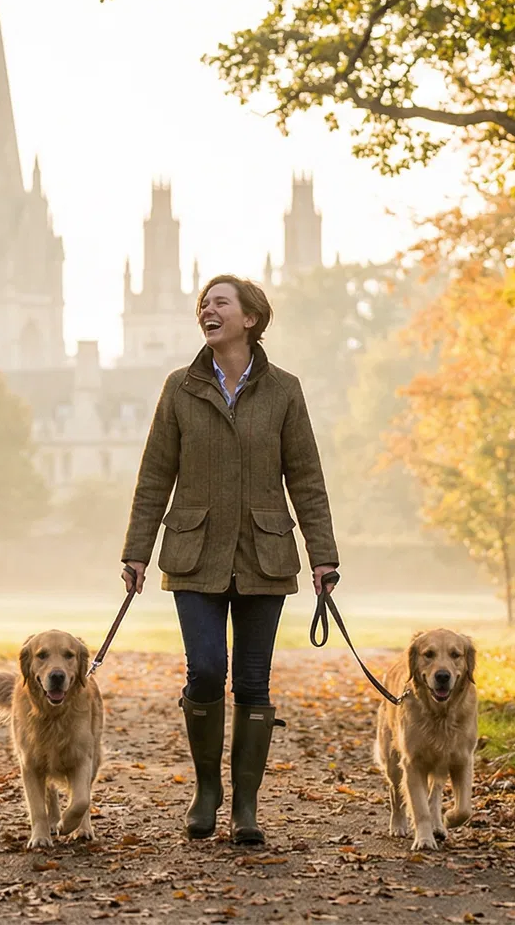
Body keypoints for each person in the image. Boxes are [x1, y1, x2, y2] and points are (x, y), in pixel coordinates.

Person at [119, 274, 339, 846]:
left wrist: (324, 557)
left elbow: (307, 480)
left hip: (265, 556)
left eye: (220, 302)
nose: (206, 310)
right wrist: (136, 552)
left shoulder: (285, 390)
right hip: (194, 555)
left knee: (253, 681)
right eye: (203, 304)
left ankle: (245, 806)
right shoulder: (179, 388)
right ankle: (206, 791)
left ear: (249, 319)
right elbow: (153, 477)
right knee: (207, 670)